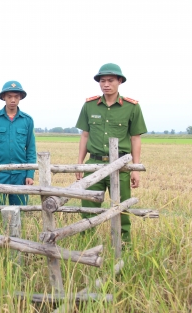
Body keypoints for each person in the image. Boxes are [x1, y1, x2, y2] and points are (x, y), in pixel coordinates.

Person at [75, 63, 147, 243]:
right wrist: (80, 163)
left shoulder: (132, 107)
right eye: (102, 81)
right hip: (94, 164)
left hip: (120, 166)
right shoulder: (89, 105)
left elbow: (135, 138)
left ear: (120, 81)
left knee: (121, 207)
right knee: (88, 206)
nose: (106, 84)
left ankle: (124, 244)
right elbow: (85, 135)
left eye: (110, 80)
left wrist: (135, 168)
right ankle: (86, 244)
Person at [0, 81, 36, 209]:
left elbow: (31, 149)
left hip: (20, 175)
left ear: (20, 98)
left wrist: (30, 174)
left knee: (18, 211)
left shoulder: (27, 120)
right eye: (9, 97)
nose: (13, 100)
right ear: (3, 98)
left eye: (16, 97)